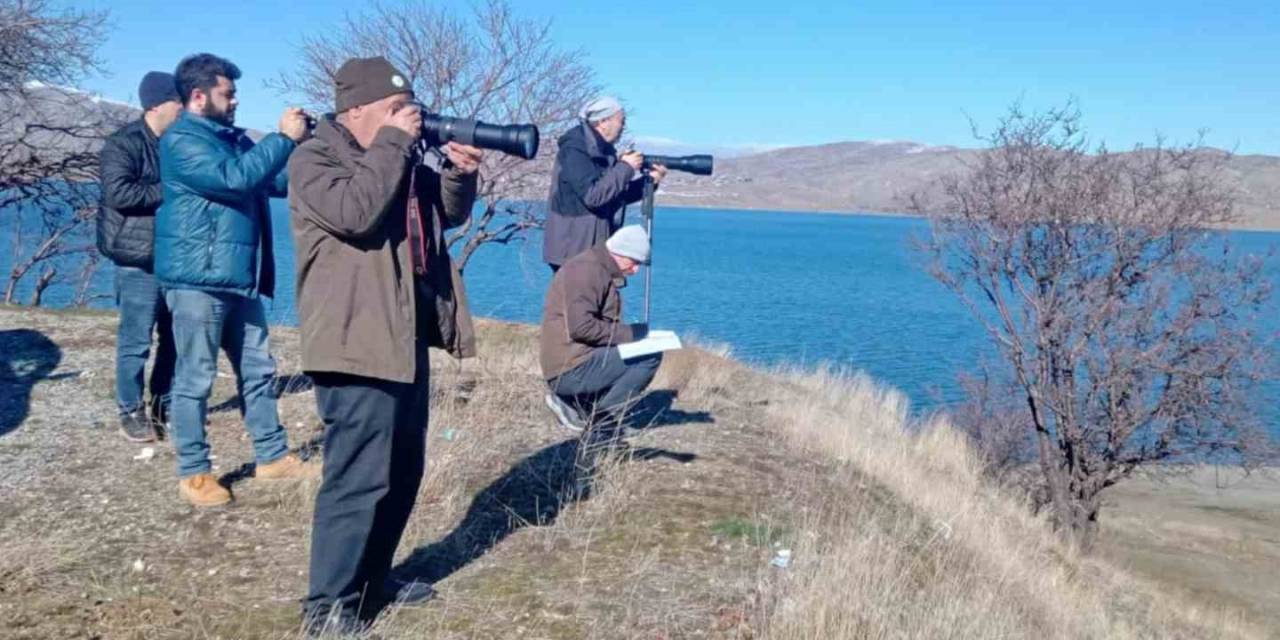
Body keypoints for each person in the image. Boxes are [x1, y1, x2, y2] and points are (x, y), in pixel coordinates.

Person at [287, 56, 482, 633]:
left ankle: (372, 582)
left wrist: (458, 174)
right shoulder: (313, 159)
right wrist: (397, 142)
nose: (409, 117)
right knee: (357, 478)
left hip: (404, 335)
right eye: (395, 109)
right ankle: (327, 608)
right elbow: (356, 213)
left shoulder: (396, 155)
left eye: (409, 107)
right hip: (353, 339)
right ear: (356, 111)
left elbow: (445, 215)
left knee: (402, 469)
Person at [153, 53, 311, 507]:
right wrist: (281, 137)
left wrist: (303, 146)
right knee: (196, 377)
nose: (236, 99)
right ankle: (194, 472)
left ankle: (272, 456)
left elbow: (274, 181)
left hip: (235, 276)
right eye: (229, 92)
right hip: (197, 279)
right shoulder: (182, 140)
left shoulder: (230, 138)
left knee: (260, 370)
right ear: (199, 97)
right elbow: (234, 179)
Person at [97, 71, 182, 442]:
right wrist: (173, 190)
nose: (184, 108)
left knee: (175, 338)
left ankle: (163, 405)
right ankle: (130, 410)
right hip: (136, 257)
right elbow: (120, 194)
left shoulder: (179, 143)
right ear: (156, 105)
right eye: (178, 101)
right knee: (136, 340)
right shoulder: (122, 144)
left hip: (175, 255)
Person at [540, 226, 662, 448]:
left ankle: (577, 404)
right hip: (569, 368)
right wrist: (632, 334)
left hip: (573, 360)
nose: (635, 270)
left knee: (640, 351)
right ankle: (602, 425)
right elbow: (581, 328)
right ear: (619, 253)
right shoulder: (586, 271)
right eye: (633, 262)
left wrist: (631, 335)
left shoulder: (594, 267)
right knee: (649, 356)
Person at [542, 96, 667, 272]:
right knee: (578, 299)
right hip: (573, 250)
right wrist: (626, 167)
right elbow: (593, 196)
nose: (624, 127)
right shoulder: (575, 149)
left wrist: (650, 181)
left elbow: (615, 195)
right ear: (603, 122)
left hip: (592, 246)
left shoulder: (603, 150)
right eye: (621, 121)